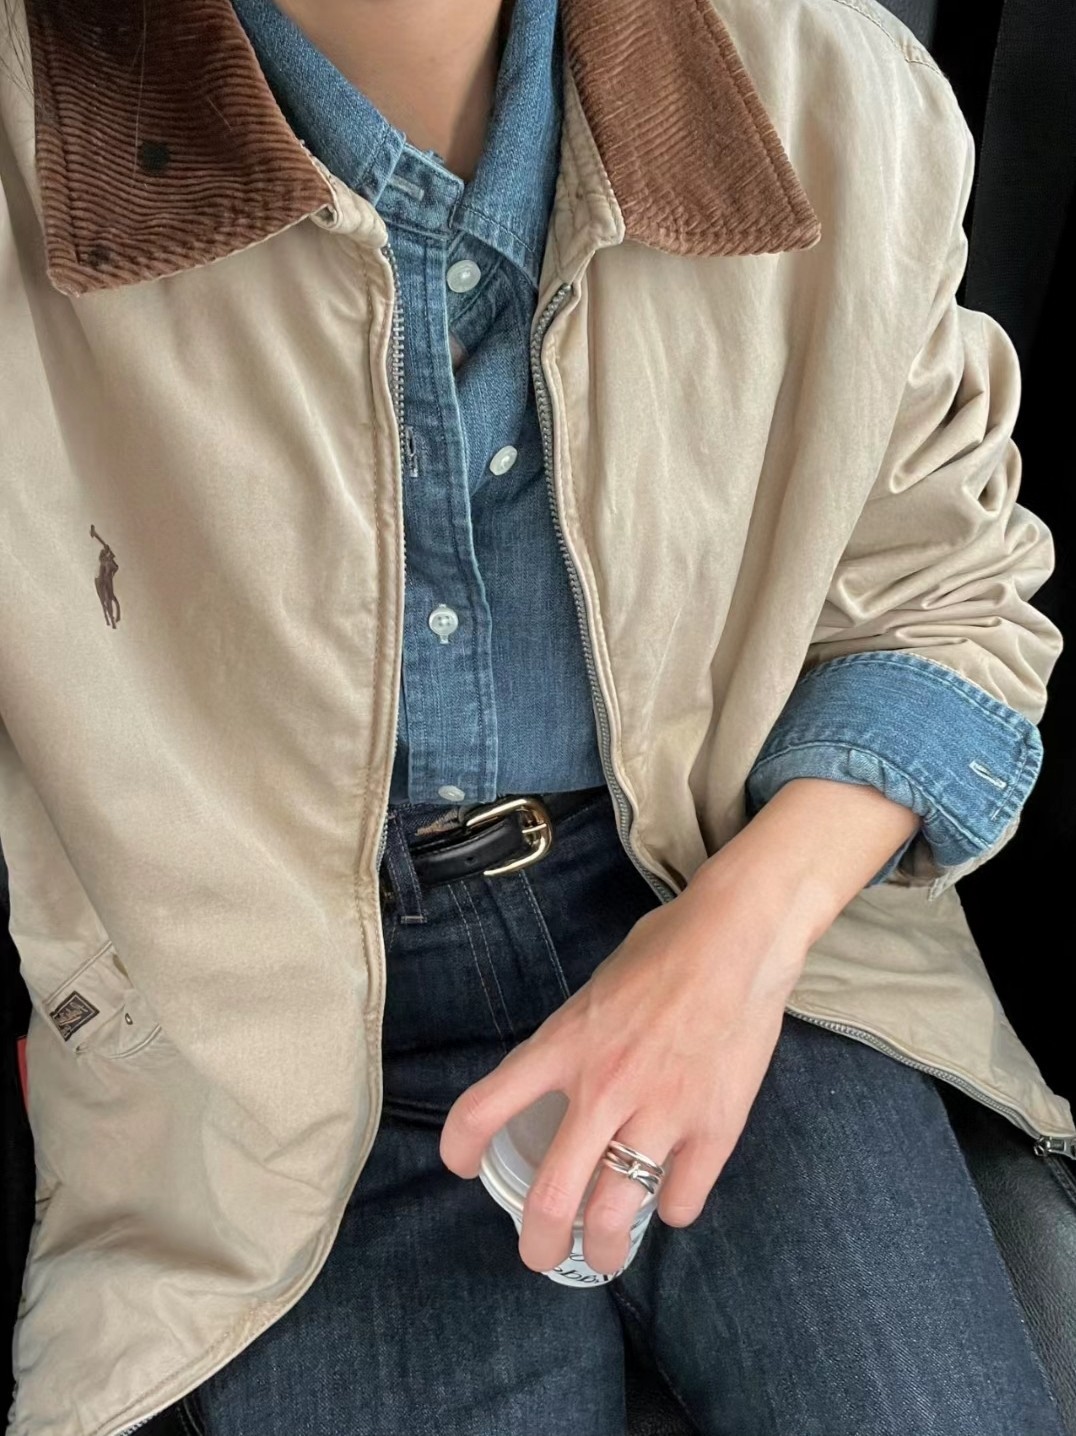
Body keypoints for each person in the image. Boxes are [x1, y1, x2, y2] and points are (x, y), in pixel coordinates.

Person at [0, 0, 1072, 1432]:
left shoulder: (832, 90)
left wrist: (733, 945)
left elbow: (949, 600)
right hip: (247, 1047)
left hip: (732, 918)